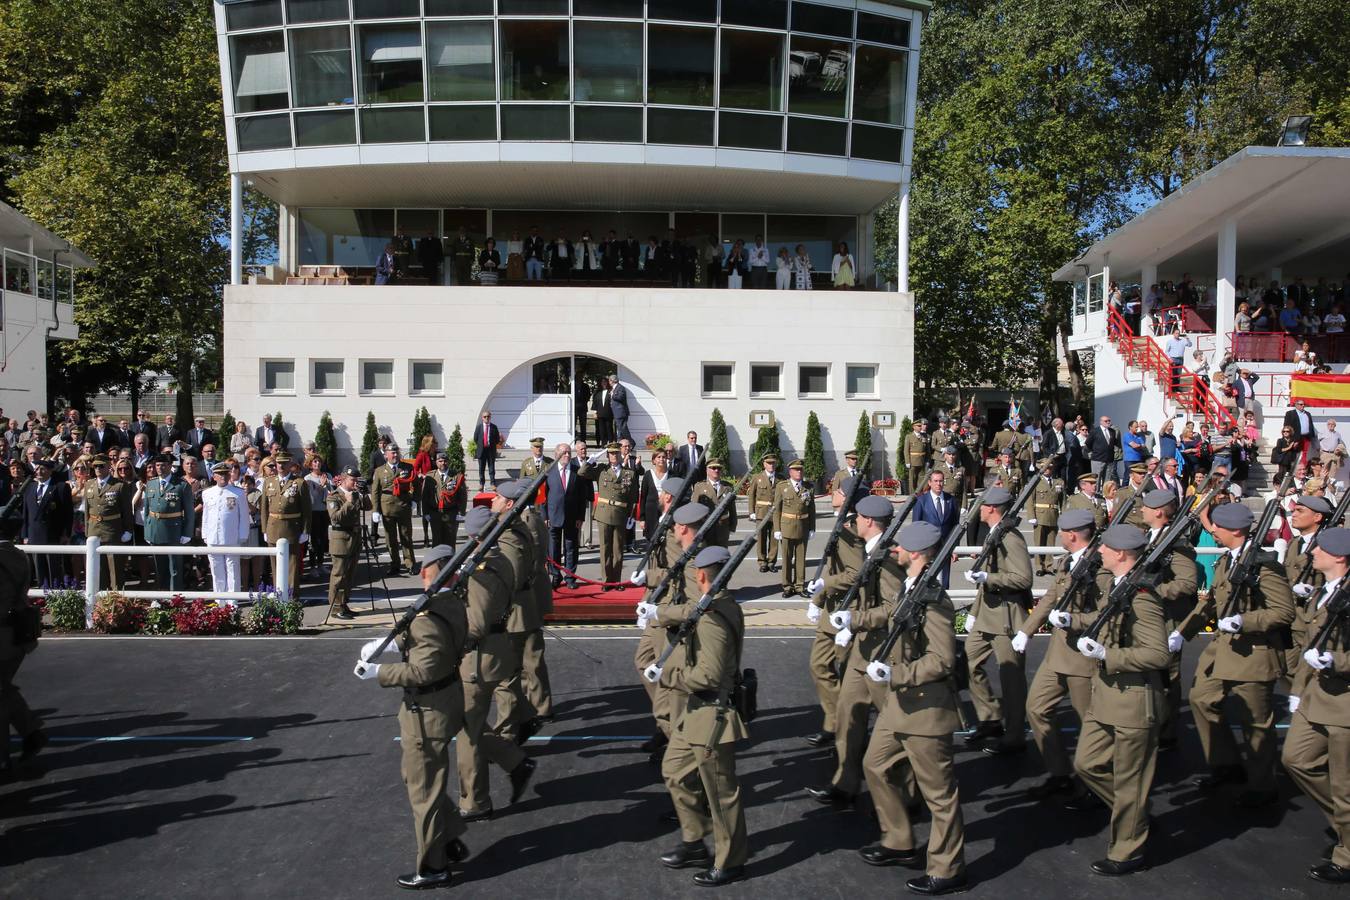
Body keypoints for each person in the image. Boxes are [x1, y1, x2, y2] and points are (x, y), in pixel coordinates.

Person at [353, 544, 471, 891]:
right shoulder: (450, 603)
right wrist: (391, 642)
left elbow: (423, 670)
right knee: (415, 777)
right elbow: (422, 636)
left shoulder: (430, 613)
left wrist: (379, 672)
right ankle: (447, 836)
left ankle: (433, 866)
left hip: (428, 712)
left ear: (425, 573)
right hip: (442, 703)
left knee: (424, 792)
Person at [860, 520, 968, 895]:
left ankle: (947, 867)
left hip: (926, 710)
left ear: (917, 554)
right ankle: (899, 840)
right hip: (899, 707)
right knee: (874, 765)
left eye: (902, 547)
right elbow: (889, 616)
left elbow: (942, 660)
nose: (896, 551)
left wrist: (895, 673)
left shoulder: (935, 601)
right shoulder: (909, 589)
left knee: (939, 796)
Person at [1060, 524, 1170, 876]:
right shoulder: (1119, 587)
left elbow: (1157, 654)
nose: (1100, 552)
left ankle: (1127, 850)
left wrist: (1109, 654)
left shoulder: (1142, 597)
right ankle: (1135, 813)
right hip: (1106, 695)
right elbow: (1104, 618)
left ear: (1121, 553)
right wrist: (1075, 620)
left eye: (1105, 548)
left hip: (1134, 701)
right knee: (1087, 764)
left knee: (1130, 780)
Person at [1175, 501, 1294, 807]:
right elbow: (1212, 602)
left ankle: (1262, 787)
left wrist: (1246, 621)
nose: (1212, 530)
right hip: (1224, 650)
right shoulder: (1230, 560)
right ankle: (1226, 764)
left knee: (1256, 723)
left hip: (1254, 653)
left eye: (1219, 526)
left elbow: (1283, 611)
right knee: (1202, 699)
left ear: (1237, 531)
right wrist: (1182, 632)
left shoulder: (1264, 565)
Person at [650, 544, 749, 888]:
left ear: (702, 575)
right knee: (674, 771)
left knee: (721, 793)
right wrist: (661, 614)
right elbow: (688, 610)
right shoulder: (716, 604)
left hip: (712, 713)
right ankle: (695, 840)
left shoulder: (713, 617)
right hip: (696, 711)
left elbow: (709, 674)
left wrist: (667, 676)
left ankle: (731, 859)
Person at [806, 494, 903, 809]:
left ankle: (906, 794)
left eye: (859, 517)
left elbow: (893, 609)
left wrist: (855, 619)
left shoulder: (887, 558)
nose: (855, 521)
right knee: (848, 715)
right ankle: (845, 782)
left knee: (894, 725)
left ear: (870, 521)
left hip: (882, 653)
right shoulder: (873, 552)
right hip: (862, 648)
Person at [454, 507, 535, 821]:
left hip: (478, 659)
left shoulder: (483, 570)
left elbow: (475, 624)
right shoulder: (499, 559)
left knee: (467, 733)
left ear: (475, 536)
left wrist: (448, 633)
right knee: (468, 725)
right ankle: (514, 761)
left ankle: (475, 801)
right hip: (495, 652)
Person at [1282, 526, 1350, 884]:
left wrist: (1338, 662)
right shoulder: (1326, 592)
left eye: (1320, 549)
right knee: (1297, 759)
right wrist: (1298, 688)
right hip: (1315, 696)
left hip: (1344, 703)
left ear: (1339, 556)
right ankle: (1345, 823)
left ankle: (1347, 856)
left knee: (1345, 785)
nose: (1313, 553)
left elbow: (1331, 653)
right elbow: (1310, 648)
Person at [962, 486, 1033, 755]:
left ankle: (1014, 736)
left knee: (1011, 679)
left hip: (1006, 617)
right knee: (968, 662)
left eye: (982, 505)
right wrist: (973, 612)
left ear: (992, 508)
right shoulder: (995, 534)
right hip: (986, 615)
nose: (978, 509)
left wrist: (988, 579)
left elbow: (1024, 578)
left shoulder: (1010, 538)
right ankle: (990, 717)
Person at [490, 480, 553, 744]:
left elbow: (524, 567)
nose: (492, 500)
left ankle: (535, 710)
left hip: (521, 602)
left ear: (509, 503)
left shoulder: (524, 523)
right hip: (525, 599)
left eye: (497, 497)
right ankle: (537, 708)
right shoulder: (518, 522)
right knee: (528, 660)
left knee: (523, 663)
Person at [1, 504, 46, 782]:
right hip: (16, 635)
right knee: (3, 691)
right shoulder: (16, 555)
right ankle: (30, 732)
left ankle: (5, 756)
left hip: (3, 635)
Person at [579, 443, 637, 589]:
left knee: (618, 549)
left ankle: (616, 580)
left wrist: (631, 516)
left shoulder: (629, 473)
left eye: (616, 453)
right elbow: (581, 472)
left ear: (621, 455)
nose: (614, 456)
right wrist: (591, 460)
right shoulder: (601, 470)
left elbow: (633, 497)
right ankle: (606, 580)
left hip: (620, 514)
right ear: (607, 456)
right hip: (604, 512)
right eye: (611, 454)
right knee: (605, 548)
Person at [259, 451, 311, 595]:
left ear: (290, 465)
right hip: (273, 526)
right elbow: (264, 507)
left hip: (292, 527)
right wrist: (264, 529)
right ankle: (279, 594)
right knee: (275, 564)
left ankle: (292, 596)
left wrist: (305, 530)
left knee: (292, 564)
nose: (280, 466)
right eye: (278, 463)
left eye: (284, 463)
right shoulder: (268, 482)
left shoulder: (299, 483)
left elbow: (306, 509)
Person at [82, 453, 134, 590]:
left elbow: (127, 511)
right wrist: (87, 531)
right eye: (95, 466)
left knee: (115, 567)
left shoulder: (119, 485)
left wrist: (128, 530)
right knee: (97, 567)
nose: (98, 469)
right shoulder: (89, 484)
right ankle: (100, 600)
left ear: (108, 467)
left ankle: (116, 599)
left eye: (101, 466)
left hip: (113, 530)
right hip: (94, 529)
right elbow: (87, 510)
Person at [20, 458, 72, 588]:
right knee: (39, 568)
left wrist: (66, 533)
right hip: (34, 534)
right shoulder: (29, 487)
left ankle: (56, 595)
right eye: (37, 469)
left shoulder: (60, 487)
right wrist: (25, 534)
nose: (39, 471)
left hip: (53, 534)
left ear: (50, 471)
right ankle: (42, 596)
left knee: (54, 568)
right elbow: (26, 513)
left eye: (42, 469)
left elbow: (68, 513)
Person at [200, 461, 250, 598]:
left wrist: (243, 535)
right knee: (216, 570)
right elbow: (206, 515)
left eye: (225, 473)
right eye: (219, 474)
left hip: (231, 536)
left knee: (233, 569)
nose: (223, 476)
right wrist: (205, 534)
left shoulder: (238, 493)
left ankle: (232, 600)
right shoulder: (207, 493)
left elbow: (244, 516)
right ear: (214, 476)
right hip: (213, 537)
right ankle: (219, 599)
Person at [772, 459, 816, 598]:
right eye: (796, 470)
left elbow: (812, 509)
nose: (799, 472)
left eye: (801, 469)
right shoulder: (782, 487)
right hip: (786, 527)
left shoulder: (808, 487)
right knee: (786, 558)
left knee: (801, 559)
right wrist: (777, 529)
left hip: (803, 526)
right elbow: (776, 510)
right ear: (790, 472)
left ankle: (799, 586)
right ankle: (787, 586)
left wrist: (812, 528)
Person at [545, 443, 585, 589]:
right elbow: (544, 496)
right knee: (553, 548)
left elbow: (582, 497)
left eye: (569, 452)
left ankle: (570, 577)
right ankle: (555, 575)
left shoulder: (577, 471)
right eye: (564, 453)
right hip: (553, 516)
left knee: (571, 547)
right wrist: (545, 516)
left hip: (572, 517)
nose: (567, 455)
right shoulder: (549, 471)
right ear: (557, 455)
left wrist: (581, 517)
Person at [372, 446, 417, 577]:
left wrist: (415, 500)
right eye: (392, 453)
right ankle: (395, 564)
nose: (395, 455)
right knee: (390, 539)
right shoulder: (380, 471)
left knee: (406, 536)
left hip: (403, 505)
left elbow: (417, 485)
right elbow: (375, 492)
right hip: (387, 507)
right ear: (386, 455)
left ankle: (410, 564)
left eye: (396, 452)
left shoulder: (407, 467)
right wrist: (376, 510)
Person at [912, 469, 959, 586]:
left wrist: (955, 548)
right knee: (926, 581)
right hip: (927, 548)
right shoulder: (921, 501)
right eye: (936, 481)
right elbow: (916, 526)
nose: (939, 484)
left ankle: (944, 602)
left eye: (941, 481)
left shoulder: (951, 500)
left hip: (945, 547)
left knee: (945, 581)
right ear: (929, 483)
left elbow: (955, 526)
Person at [745, 454, 780, 573]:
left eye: (773, 463)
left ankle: (771, 561)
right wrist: (751, 512)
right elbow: (751, 496)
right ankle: (762, 561)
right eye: (769, 463)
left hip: (775, 513)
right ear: (764, 464)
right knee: (761, 538)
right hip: (761, 512)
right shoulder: (757, 477)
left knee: (774, 538)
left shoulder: (781, 478)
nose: (771, 465)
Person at [423, 453, 465, 551]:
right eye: (440, 461)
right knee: (436, 540)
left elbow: (462, 496)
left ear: (449, 462)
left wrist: (461, 512)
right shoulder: (430, 476)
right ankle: (437, 564)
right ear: (436, 462)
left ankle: (450, 564)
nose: (443, 463)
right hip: (435, 512)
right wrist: (426, 513)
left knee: (450, 540)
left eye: (445, 461)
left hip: (451, 512)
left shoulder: (456, 476)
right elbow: (425, 496)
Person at [691, 459, 736, 547]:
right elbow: (694, 509)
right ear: (707, 470)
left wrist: (732, 526)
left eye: (719, 468)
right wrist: (694, 528)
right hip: (706, 528)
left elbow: (732, 509)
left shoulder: (728, 487)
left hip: (722, 529)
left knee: (722, 555)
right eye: (713, 468)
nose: (716, 470)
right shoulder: (699, 487)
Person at [639, 447, 671, 542]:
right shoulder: (648, 475)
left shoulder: (671, 474)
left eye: (664, 457)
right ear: (654, 460)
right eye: (659, 457)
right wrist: (642, 518)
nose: (661, 459)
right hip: (651, 514)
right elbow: (643, 497)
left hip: (666, 512)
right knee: (651, 541)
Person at [1084, 416, 1118, 485]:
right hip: (1097, 459)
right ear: (1101, 422)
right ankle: (1096, 493)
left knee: (1107, 479)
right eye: (1106, 421)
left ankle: (1105, 494)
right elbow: (1088, 443)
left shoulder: (1112, 431)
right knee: (1096, 478)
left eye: (1109, 420)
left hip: (1109, 459)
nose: (1108, 422)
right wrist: (1096, 451)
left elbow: (1113, 444)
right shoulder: (1095, 431)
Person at [472, 411, 500, 490]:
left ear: (490, 417)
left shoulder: (494, 427)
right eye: (485, 417)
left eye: (488, 416)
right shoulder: (479, 427)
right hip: (481, 450)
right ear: (482, 418)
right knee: (481, 468)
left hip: (491, 450)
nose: (486, 418)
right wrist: (482, 445)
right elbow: (475, 438)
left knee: (491, 468)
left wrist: (491, 444)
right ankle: (481, 483)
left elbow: (497, 439)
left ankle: (492, 483)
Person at [903, 420, 930, 495]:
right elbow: (906, 450)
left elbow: (927, 450)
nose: (920, 427)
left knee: (921, 479)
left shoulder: (924, 436)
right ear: (913, 427)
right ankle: (912, 494)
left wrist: (927, 460)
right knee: (912, 479)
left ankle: (920, 493)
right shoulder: (909, 436)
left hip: (922, 461)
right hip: (913, 461)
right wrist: (907, 462)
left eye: (921, 426)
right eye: (918, 426)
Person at [608, 374, 631, 443]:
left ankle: (631, 442)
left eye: (609, 381)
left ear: (612, 381)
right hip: (617, 413)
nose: (609, 382)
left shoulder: (620, 388)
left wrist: (612, 395)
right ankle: (620, 443)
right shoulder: (615, 388)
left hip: (620, 412)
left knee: (622, 428)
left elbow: (620, 397)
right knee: (620, 429)